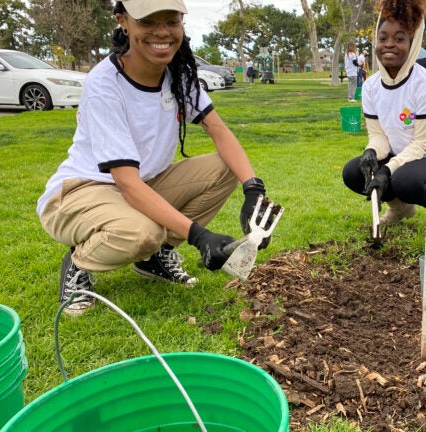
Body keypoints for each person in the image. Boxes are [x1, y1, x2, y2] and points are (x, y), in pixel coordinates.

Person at [36, 0, 274, 316]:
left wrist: (253, 190)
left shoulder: (179, 73)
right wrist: (198, 236)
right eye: (148, 21)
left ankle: (154, 259)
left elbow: (218, 130)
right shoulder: (104, 83)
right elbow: (127, 183)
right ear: (124, 21)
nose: (162, 32)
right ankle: (79, 262)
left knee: (225, 168)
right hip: (80, 193)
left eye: (171, 21)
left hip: (141, 184)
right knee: (142, 232)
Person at [341, 0, 426, 226]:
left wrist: (387, 169)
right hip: (400, 157)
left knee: (403, 180)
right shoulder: (370, 86)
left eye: (399, 39)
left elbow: (423, 144)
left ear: (412, 44)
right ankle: (400, 209)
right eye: (383, 38)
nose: (389, 45)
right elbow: (378, 136)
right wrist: (371, 153)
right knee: (353, 172)